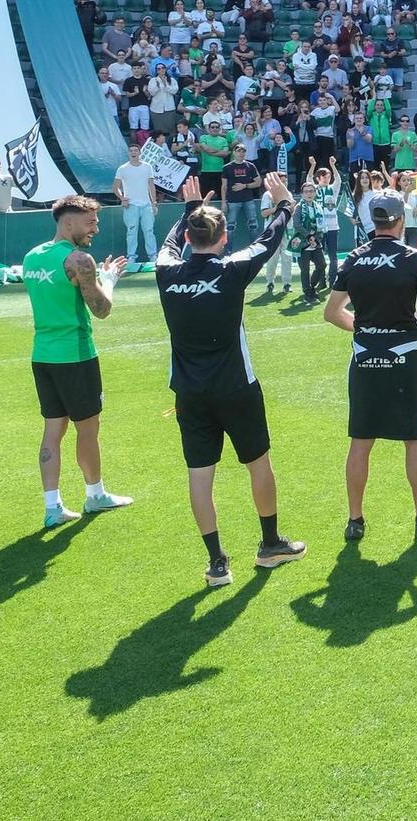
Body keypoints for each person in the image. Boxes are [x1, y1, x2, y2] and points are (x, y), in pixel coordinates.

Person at [155, 179, 307, 585]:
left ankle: (216, 562)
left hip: (189, 393)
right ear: (223, 239)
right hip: (237, 388)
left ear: (190, 236)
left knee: (200, 475)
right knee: (258, 463)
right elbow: (268, 240)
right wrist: (284, 205)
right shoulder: (232, 268)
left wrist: (189, 207)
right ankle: (270, 544)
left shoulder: (166, 272)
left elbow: (168, 247)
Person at [322, 190, 417, 542]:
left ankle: (355, 520)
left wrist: (365, 330)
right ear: (399, 221)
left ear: (373, 221)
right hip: (407, 355)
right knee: (414, 437)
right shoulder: (414, 259)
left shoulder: (353, 259)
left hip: (365, 355)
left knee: (361, 440)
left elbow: (332, 312)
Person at [22, 197, 132, 529]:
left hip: (43, 355)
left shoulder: (32, 256)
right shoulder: (78, 260)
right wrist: (109, 278)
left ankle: (52, 506)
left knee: (52, 431)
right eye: (91, 223)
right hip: (76, 355)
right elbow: (101, 309)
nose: (95, 229)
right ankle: (95, 494)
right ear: (69, 223)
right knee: (88, 429)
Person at [113, 144, 159, 264]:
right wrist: (122, 198)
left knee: (149, 231)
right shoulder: (122, 168)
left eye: (135, 150)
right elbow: (116, 187)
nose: (133, 153)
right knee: (131, 232)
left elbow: (151, 185)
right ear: (128, 153)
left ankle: (153, 256)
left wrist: (153, 203)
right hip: (131, 206)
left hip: (146, 205)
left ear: (139, 153)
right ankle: (131, 257)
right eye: (131, 151)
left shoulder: (147, 167)